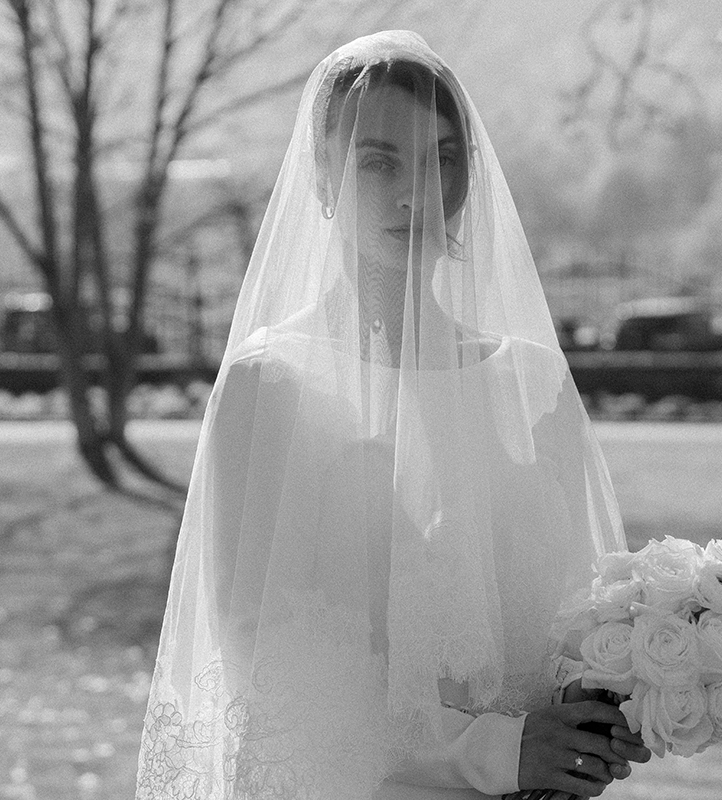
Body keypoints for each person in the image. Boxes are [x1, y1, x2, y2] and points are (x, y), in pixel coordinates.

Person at [136, 31, 650, 800]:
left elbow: (577, 620)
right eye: (379, 162)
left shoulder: (534, 383)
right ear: (323, 178)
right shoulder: (271, 384)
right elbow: (267, 669)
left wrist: (600, 712)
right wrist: (497, 752)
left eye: (441, 159)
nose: (417, 194)